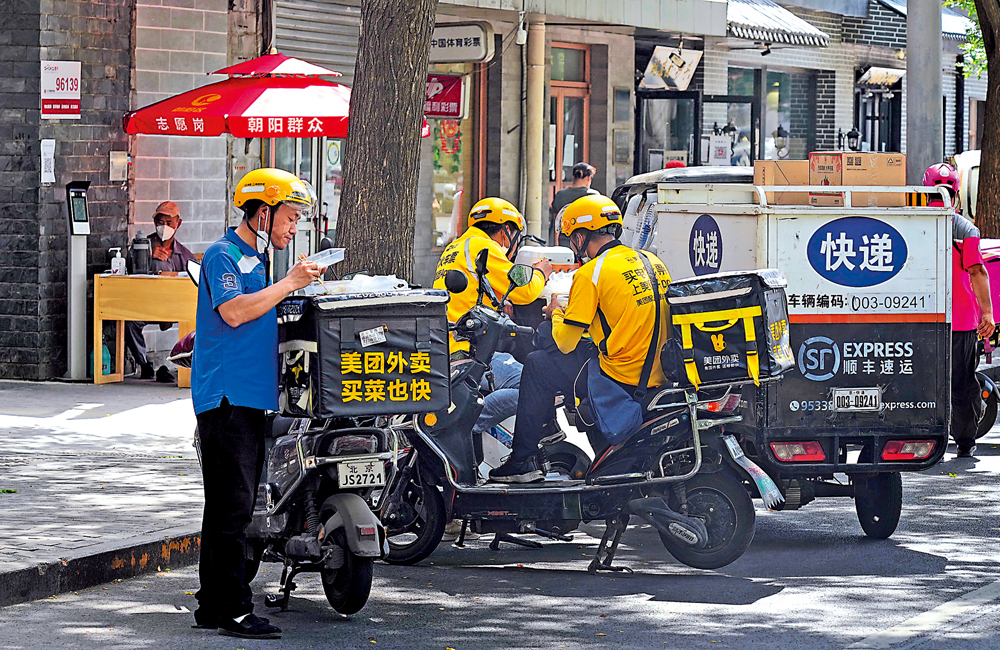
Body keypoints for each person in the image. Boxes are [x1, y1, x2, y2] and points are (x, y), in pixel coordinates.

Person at [191, 168, 322, 639]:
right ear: (263, 213)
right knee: (235, 509)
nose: (293, 227)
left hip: (249, 396)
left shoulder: (257, 261)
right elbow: (234, 311)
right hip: (227, 397)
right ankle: (235, 610)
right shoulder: (222, 255)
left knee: (225, 507)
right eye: (289, 217)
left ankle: (211, 606)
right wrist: (289, 283)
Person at [490, 194, 671, 483]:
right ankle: (549, 426)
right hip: (658, 369)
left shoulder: (591, 273)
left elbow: (565, 343)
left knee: (539, 361)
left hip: (622, 374)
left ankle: (522, 459)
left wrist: (556, 311)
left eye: (573, 237)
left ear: (583, 235)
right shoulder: (652, 262)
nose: (573, 244)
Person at [924, 163, 995, 458]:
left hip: (921, 317)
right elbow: (977, 271)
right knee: (963, 382)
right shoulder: (965, 229)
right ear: (956, 196)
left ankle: (925, 438)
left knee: (923, 378)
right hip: (960, 319)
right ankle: (965, 441)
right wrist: (988, 313)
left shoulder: (911, 223)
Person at [125, 201, 196, 381]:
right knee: (130, 321)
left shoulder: (184, 254)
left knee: (198, 319)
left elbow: (194, 278)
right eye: (160, 222)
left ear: (177, 224)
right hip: (147, 304)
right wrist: (147, 258)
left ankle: (188, 366)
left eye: (168, 223)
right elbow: (128, 270)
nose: (163, 227)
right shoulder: (142, 246)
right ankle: (144, 363)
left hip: (175, 307)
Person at [549, 162, 598, 246]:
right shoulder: (593, 195)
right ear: (589, 178)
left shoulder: (561, 194)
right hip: (586, 241)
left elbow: (555, 219)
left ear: (573, 176)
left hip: (564, 239)